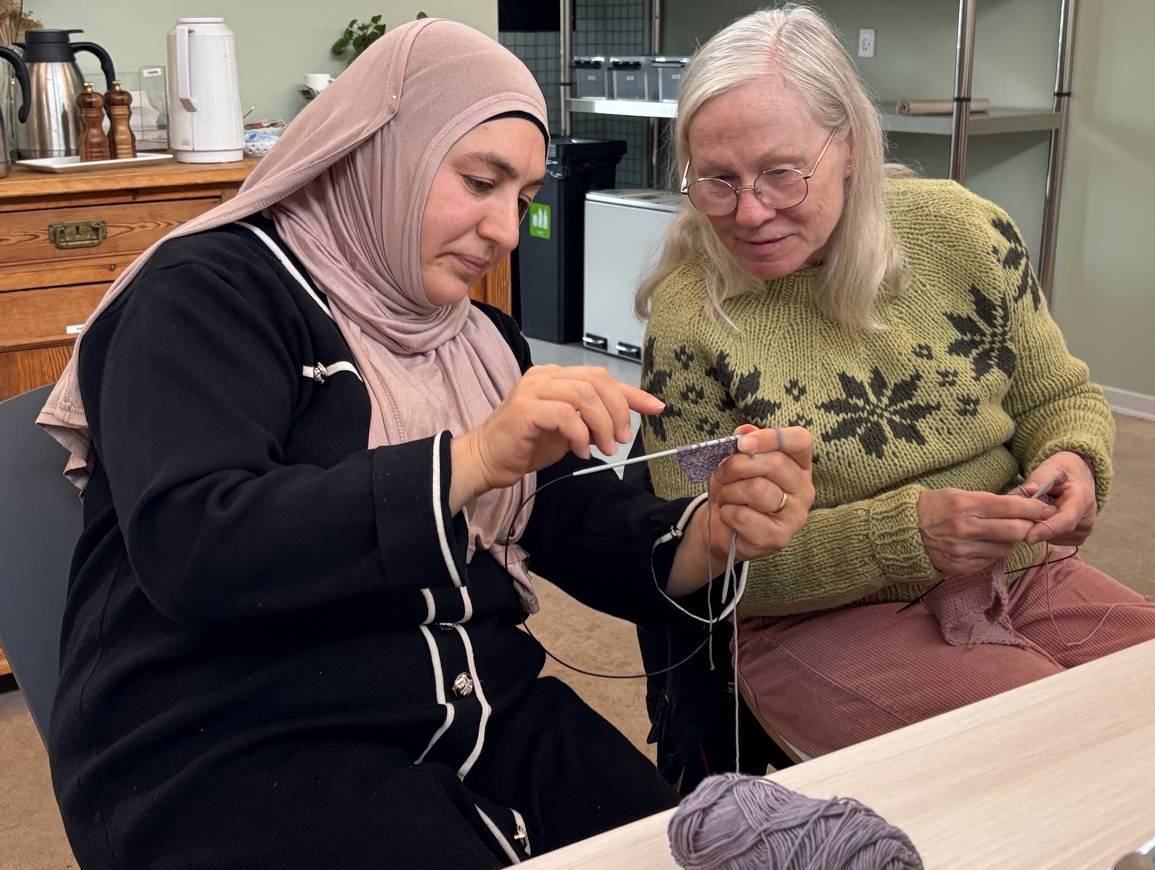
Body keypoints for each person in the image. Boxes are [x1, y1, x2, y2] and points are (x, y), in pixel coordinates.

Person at [36, 19, 815, 869]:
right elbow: (196, 542)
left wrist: (706, 531)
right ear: (382, 149)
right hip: (235, 739)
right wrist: (471, 459)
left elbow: (561, 512)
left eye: (521, 200)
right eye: (479, 182)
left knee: (667, 850)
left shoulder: (477, 338)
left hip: (479, 708)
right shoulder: (205, 295)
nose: (506, 233)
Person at [635, 4, 1155, 763]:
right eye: (717, 181)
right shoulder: (689, 323)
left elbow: (1057, 397)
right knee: (1062, 754)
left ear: (847, 143)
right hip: (814, 616)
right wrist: (904, 537)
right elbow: (702, 560)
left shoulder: (966, 234)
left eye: (781, 174)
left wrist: (1075, 458)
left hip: (1015, 568)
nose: (749, 213)